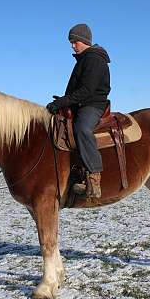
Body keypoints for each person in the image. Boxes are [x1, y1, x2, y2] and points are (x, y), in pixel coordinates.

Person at [46, 23, 111, 199]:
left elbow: (86, 91)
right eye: (71, 42)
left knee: (82, 129)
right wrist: (62, 102)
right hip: (81, 103)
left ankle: (94, 177)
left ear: (84, 41)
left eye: (75, 42)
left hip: (93, 105)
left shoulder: (95, 59)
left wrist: (63, 101)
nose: (72, 45)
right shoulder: (84, 59)